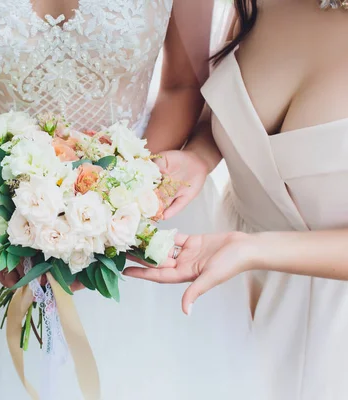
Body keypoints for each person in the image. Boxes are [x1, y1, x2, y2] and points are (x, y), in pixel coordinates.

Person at [0, 1, 247, 398]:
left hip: (143, 202)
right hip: (6, 216)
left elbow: (182, 85)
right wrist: (16, 198)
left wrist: (116, 203)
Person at [126, 0, 348, 398]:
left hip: (333, 327)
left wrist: (254, 249)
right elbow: (231, 113)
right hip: (223, 288)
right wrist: (199, 156)